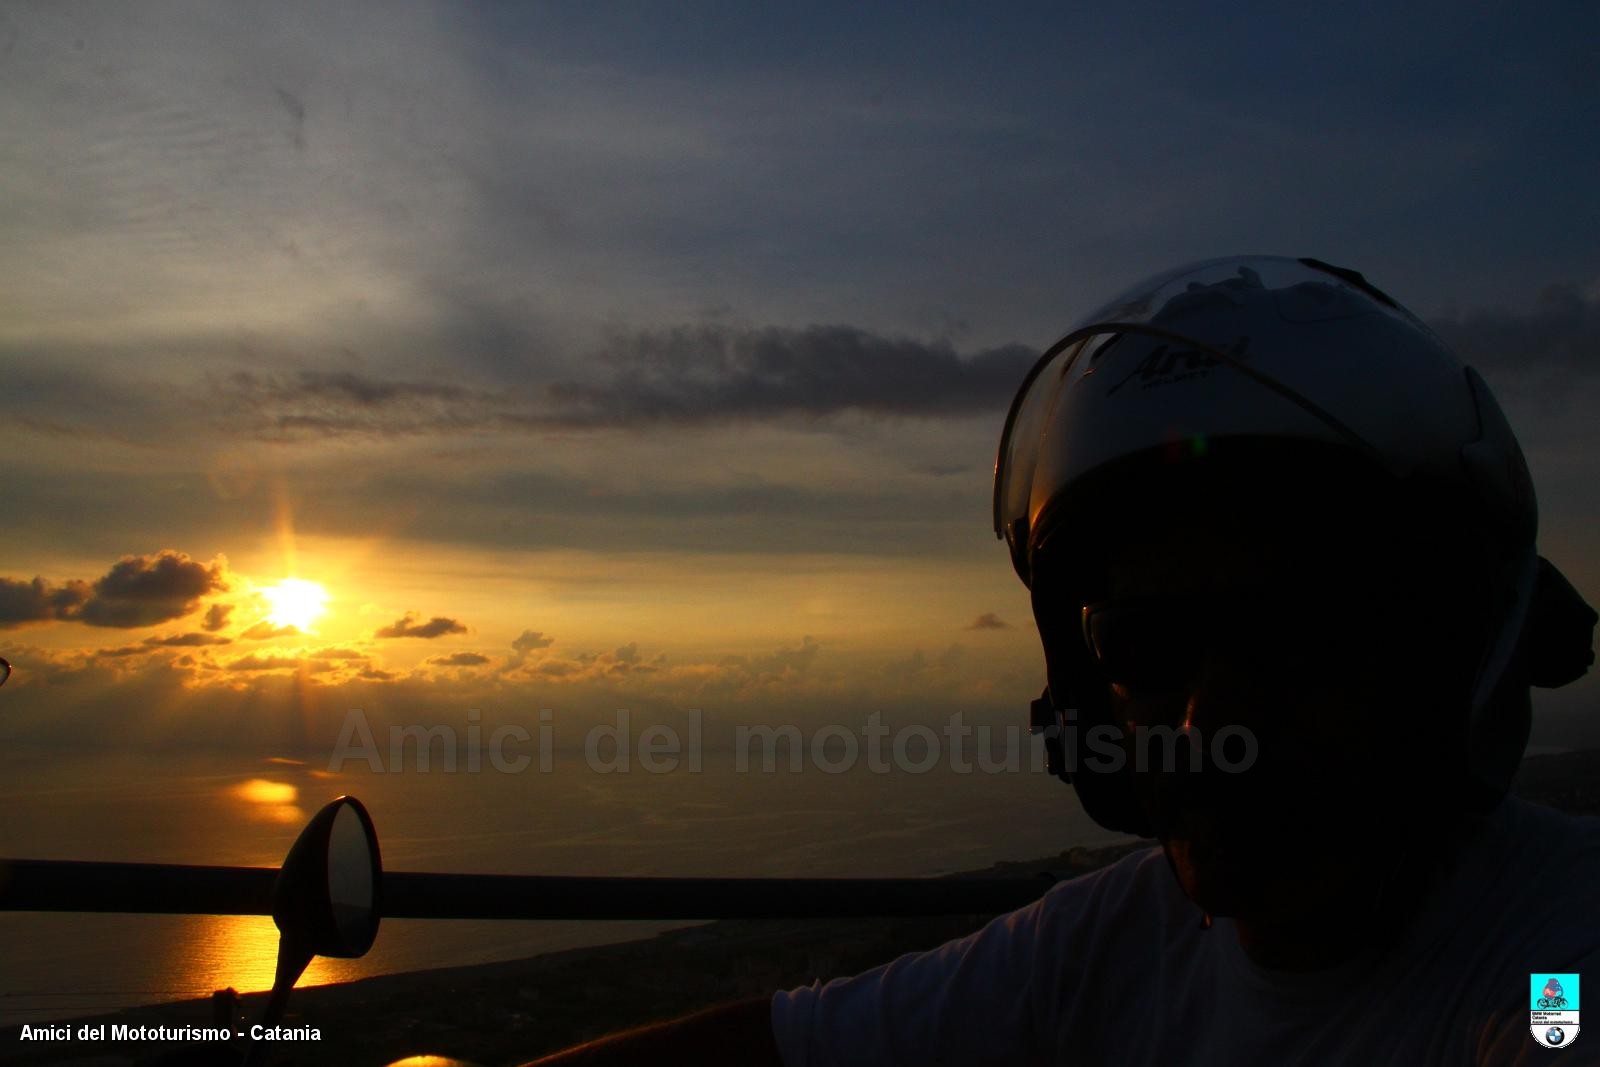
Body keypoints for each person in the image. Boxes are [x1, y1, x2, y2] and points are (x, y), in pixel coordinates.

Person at [520, 257, 1599, 1066]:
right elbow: (791, 1047)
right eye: (1145, 641)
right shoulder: (1118, 940)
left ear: (1445, 637)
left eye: (1295, 628)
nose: (1208, 715)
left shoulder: (1554, 954)